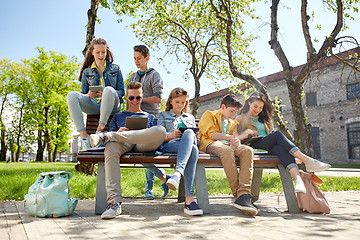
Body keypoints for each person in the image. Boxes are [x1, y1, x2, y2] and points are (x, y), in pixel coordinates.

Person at [89, 81, 166, 219]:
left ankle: (110, 136)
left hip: (143, 145)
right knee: (111, 146)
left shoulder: (149, 117)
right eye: (131, 98)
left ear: (142, 97)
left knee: (160, 130)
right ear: (126, 97)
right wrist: (119, 132)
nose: (135, 101)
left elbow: (157, 137)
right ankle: (114, 203)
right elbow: (113, 142)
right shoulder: (118, 117)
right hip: (124, 144)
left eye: (138, 98)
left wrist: (144, 133)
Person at [236, 92, 331, 194]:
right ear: (249, 103)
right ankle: (307, 161)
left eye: (260, 107)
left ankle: (298, 180)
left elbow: (271, 134)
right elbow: (236, 137)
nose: (258, 110)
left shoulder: (265, 119)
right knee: (277, 134)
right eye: (255, 106)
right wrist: (247, 134)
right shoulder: (240, 118)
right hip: (253, 145)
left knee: (280, 149)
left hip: (268, 146)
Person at [198, 94, 259, 216]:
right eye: (231, 111)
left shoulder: (232, 123)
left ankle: (244, 194)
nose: (233, 114)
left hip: (229, 146)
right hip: (211, 144)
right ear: (223, 106)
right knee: (227, 151)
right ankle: (240, 195)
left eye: (235, 112)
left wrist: (237, 141)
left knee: (247, 150)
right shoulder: (209, 115)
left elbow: (235, 139)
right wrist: (236, 137)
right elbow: (213, 135)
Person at [67, 38, 124, 150]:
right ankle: (84, 138)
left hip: (112, 106)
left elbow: (121, 92)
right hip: (95, 106)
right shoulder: (86, 72)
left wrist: (109, 93)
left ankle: (100, 130)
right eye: (97, 52)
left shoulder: (115, 69)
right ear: (92, 52)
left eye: (103, 52)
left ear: (107, 51)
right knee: (71, 95)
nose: (101, 55)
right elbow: (83, 94)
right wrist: (89, 95)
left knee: (108, 89)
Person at [129, 44, 169, 199]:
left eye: (139, 58)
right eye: (134, 58)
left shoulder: (155, 75)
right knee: (137, 152)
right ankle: (164, 177)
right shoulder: (133, 75)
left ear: (147, 58)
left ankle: (149, 189)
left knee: (146, 153)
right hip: (135, 118)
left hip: (151, 118)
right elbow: (129, 96)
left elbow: (158, 99)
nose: (136, 61)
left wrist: (139, 98)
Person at [157, 88, 203, 216]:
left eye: (183, 102)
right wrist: (171, 135)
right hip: (171, 145)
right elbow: (159, 135)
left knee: (192, 145)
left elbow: (195, 143)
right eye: (177, 102)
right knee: (190, 140)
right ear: (171, 101)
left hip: (189, 147)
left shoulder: (190, 117)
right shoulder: (163, 115)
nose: (180, 105)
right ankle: (189, 200)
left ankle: (178, 176)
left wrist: (196, 137)